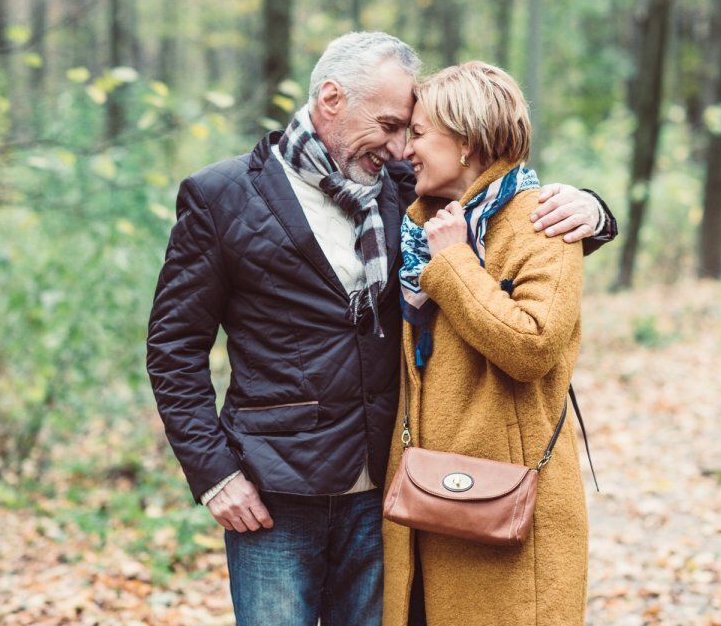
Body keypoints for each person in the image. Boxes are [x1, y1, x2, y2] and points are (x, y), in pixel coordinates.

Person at [146, 33, 614, 626]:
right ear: (332, 98)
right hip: (272, 495)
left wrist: (593, 211)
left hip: (389, 494)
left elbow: (500, 208)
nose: (399, 147)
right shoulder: (221, 197)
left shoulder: (402, 191)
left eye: (408, 131)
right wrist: (214, 475)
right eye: (391, 125)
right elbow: (173, 348)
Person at [382, 61, 590, 626]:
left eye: (419, 134)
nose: (405, 150)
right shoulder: (414, 224)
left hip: (507, 518)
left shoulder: (543, 222)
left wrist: (453, 264)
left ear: (468, 141)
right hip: (422, 511)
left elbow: (532, 347)